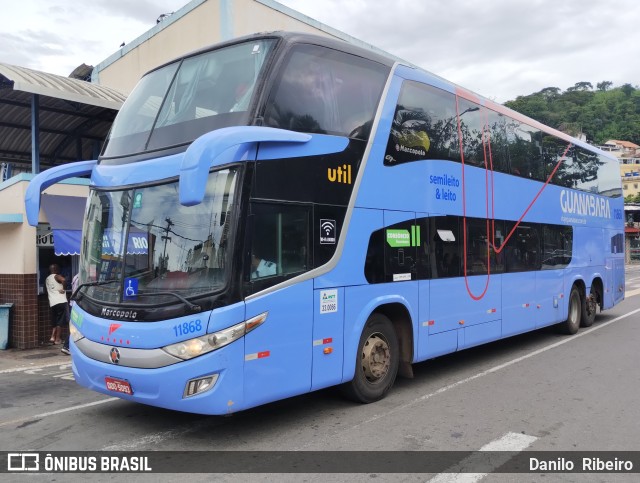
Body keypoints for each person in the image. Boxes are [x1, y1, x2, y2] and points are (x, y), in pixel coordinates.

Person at [45, 264, 68, 345]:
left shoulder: (47, 279)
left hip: (52, 302)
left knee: (54, 320)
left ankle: (52, 337)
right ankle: (57, 339)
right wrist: (64, 289)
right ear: (56, 269)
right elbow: (64, 280)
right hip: (61, 301)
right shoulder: (57, 276)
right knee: (60, 321)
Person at [60, 273, 79, 356]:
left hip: (73, 304)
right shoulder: (81, 278)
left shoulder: (76, 277)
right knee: (75, 328)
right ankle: (67, 346)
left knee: (74, 327)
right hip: (77, 306)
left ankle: (68, 346)